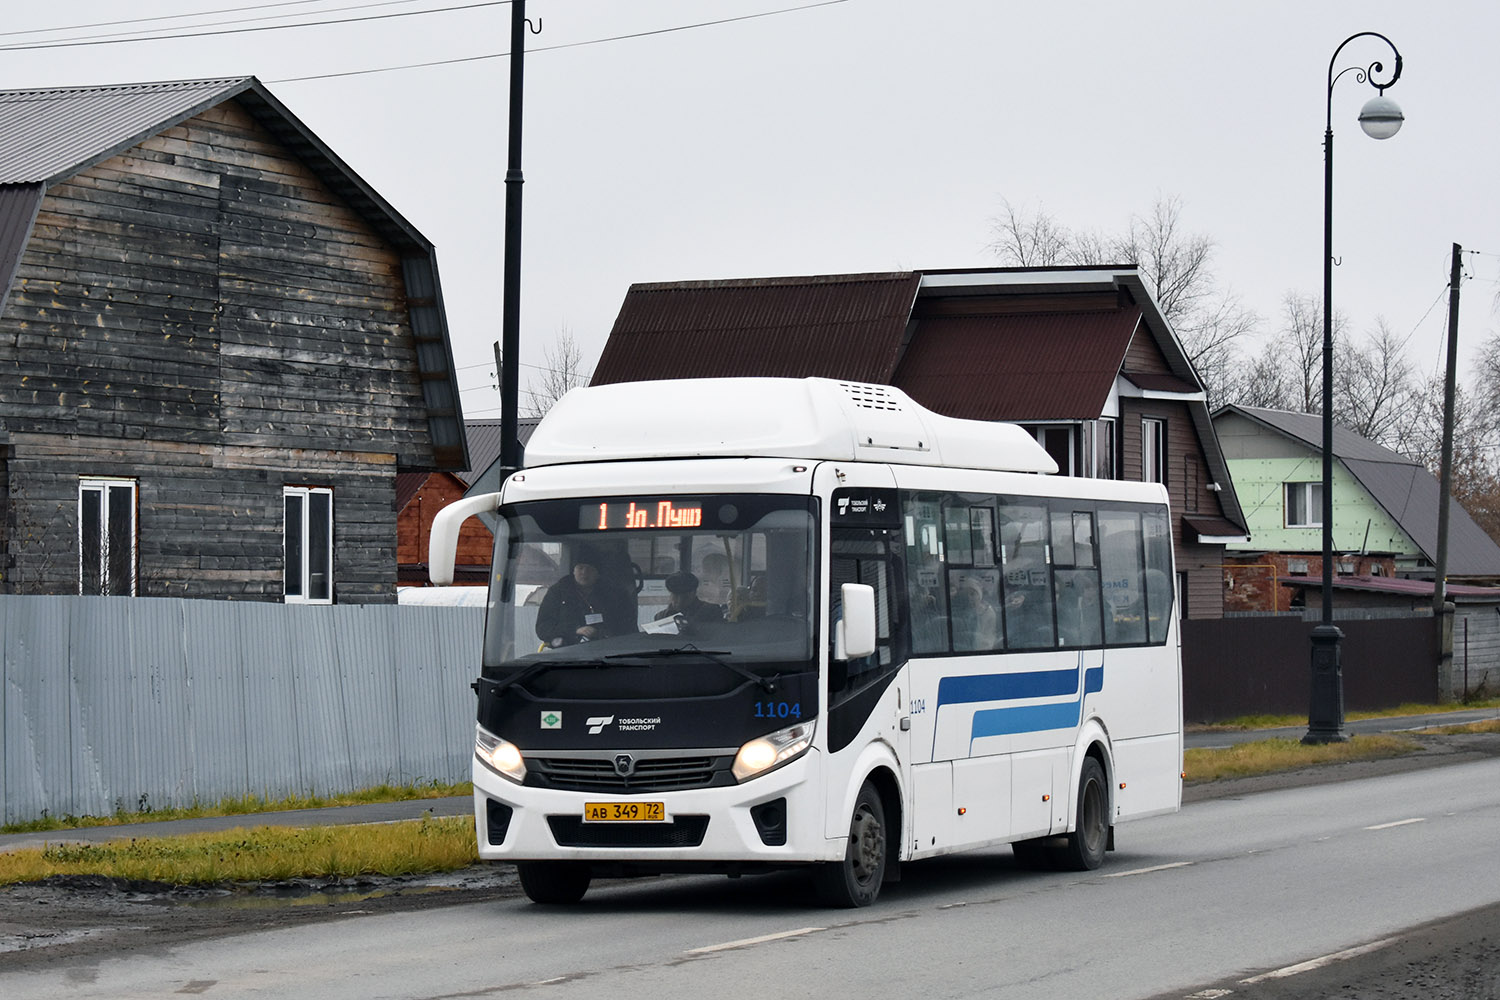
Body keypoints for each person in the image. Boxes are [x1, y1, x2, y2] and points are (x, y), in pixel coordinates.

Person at [535, 557, 635, 647]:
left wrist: (600, 633)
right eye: (580, 568)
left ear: (597, 573)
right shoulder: (558, 592)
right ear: (573, 571)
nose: (584, 572)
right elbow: (543, 628)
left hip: (608, 652)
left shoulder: (614, 595)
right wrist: (574, 630)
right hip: (566, 655)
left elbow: (627, 628)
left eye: (590, 569)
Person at [653, 571, 724, 625]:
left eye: (684, 596)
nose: (679, 600)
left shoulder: (710, 611)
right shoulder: (660, 617)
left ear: (693, 593)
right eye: (675, 595)